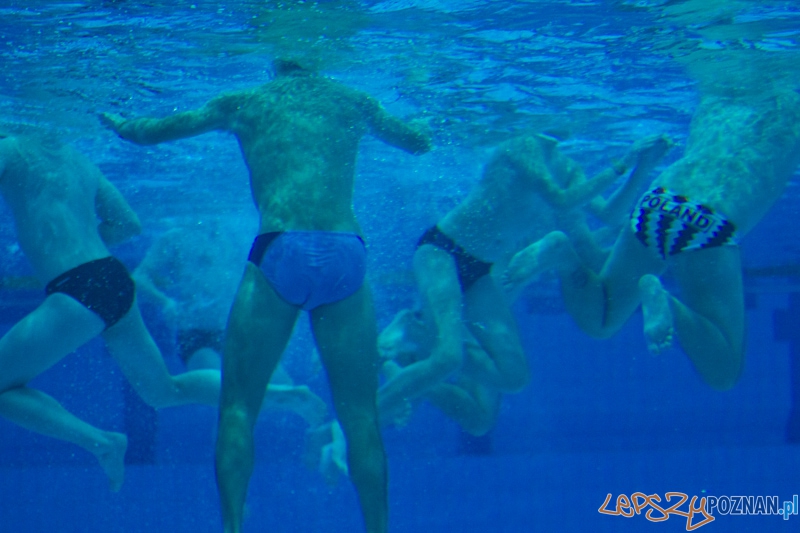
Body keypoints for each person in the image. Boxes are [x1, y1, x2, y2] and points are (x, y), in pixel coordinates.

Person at [101, 58, 431, 533]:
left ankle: (234, 526)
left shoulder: (247, 102)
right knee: (360, 416)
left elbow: (151, 132)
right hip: (345, 251)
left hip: (282, 246)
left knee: (238, 407)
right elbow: (417, 142)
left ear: (275, 63)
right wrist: (424, 116)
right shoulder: (352, 99)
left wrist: (120, 123)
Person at [377, 132, 673, 423]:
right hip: (444, 251)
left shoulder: (568, 168)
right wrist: (624, 162)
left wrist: (642, 166)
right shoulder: (523, 145)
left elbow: (609, 213)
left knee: (514, 377)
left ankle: (416, 332)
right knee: (447, 360)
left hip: (480, 269)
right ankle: (359, 421)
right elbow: (561, 200)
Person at [515, 89, 800, 390]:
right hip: (712, 209)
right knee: (723, 371)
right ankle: (665, 302)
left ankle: (563, 256)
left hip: (661, 195)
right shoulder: (790, 99)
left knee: (602, 319)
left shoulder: (718, 92)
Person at [0, 130, 226, 492]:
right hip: (112, 276)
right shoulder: (81, 161)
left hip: (76, 286)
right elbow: (128, 223)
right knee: (163, 391)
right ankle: (272, 392)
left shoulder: (11, 148)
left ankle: (102, 442)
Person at [134, 222, 328, 426]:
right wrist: (165, 302)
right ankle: (276, 392)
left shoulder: (234, 231)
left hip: (238, 328)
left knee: (231, 397)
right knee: (227, 395)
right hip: (197, 332)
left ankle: (276, 392)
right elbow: (138, 278)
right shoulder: (173, 237)